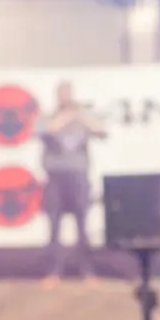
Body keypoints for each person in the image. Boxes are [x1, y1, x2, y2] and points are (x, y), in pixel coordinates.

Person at [38, 82, 105, 284]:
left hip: (78, 176)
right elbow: (48, 130)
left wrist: (81, 116)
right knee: (54, 227)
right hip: (55, 177)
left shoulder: (82, 117)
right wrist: (68, 116)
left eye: (68, 94)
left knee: (83, 227)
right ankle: (54, 272)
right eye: (62, 94)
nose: (65, 98)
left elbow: (101, 131)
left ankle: (87, 271)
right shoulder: (48, 117)